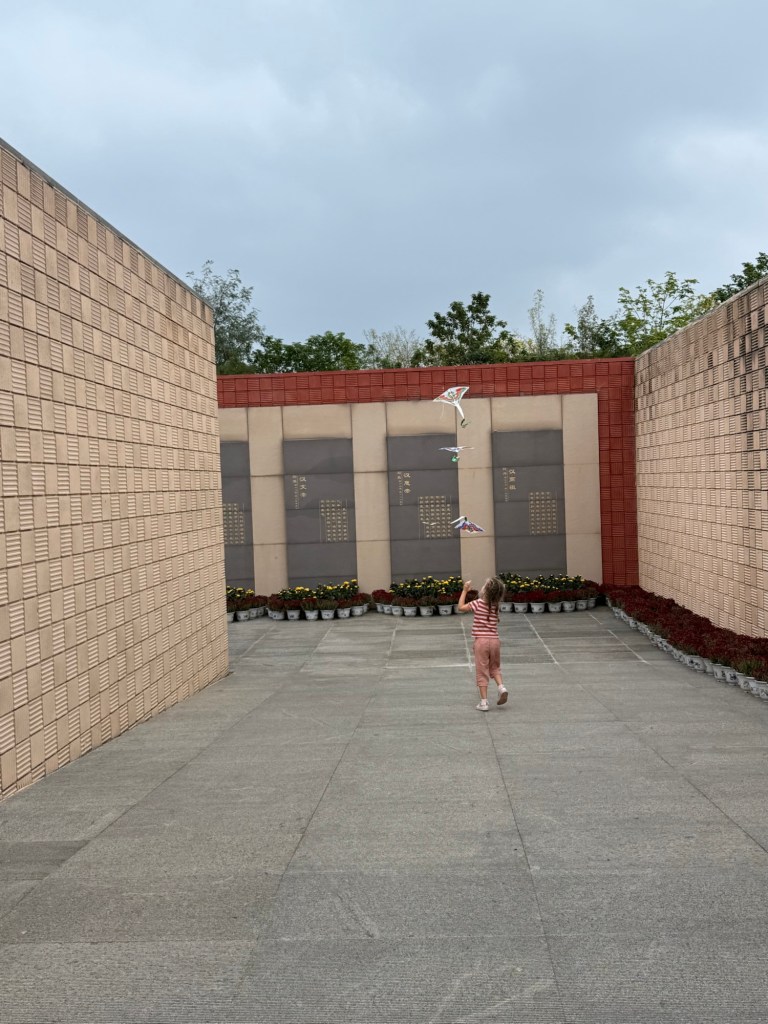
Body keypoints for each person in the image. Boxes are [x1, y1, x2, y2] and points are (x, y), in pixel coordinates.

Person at [458, 577, 508, 712]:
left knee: (482, 671)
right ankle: (501, 687)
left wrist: (464, 591)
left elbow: (460, 607)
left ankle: (484, 702)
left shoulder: (478, 603)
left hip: (481, 642)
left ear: (486, 591)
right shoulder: (496, 606)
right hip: (495, 641)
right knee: (495, 667)